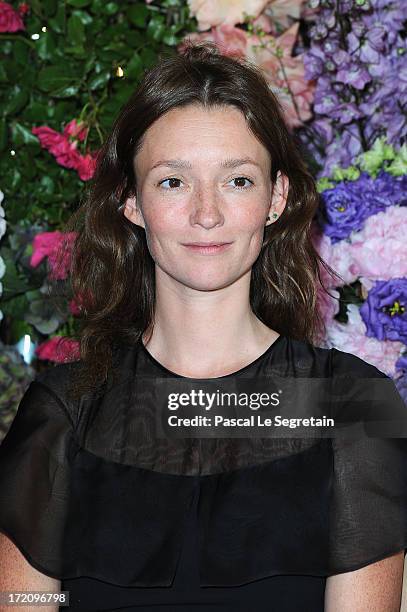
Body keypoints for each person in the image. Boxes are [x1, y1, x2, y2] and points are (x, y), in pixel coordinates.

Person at [0, 41, 406, 612]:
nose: (207, 213)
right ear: (131, 202)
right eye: (172, 181)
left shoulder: (355, 407)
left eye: (237, 180)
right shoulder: (62, 414)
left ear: (276, 196)